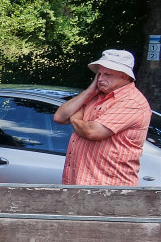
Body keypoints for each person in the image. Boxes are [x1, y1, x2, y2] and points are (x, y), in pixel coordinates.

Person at [54, 49, 152, 186]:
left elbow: (92, 131)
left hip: (108, 188)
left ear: (124, 76)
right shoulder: (96, 96)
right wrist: (89, 91)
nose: (100, 79)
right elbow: (59, 117)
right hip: (79, 184)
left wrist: (75, 119)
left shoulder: (132, 101)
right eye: (98, 74)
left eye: (107, 74)